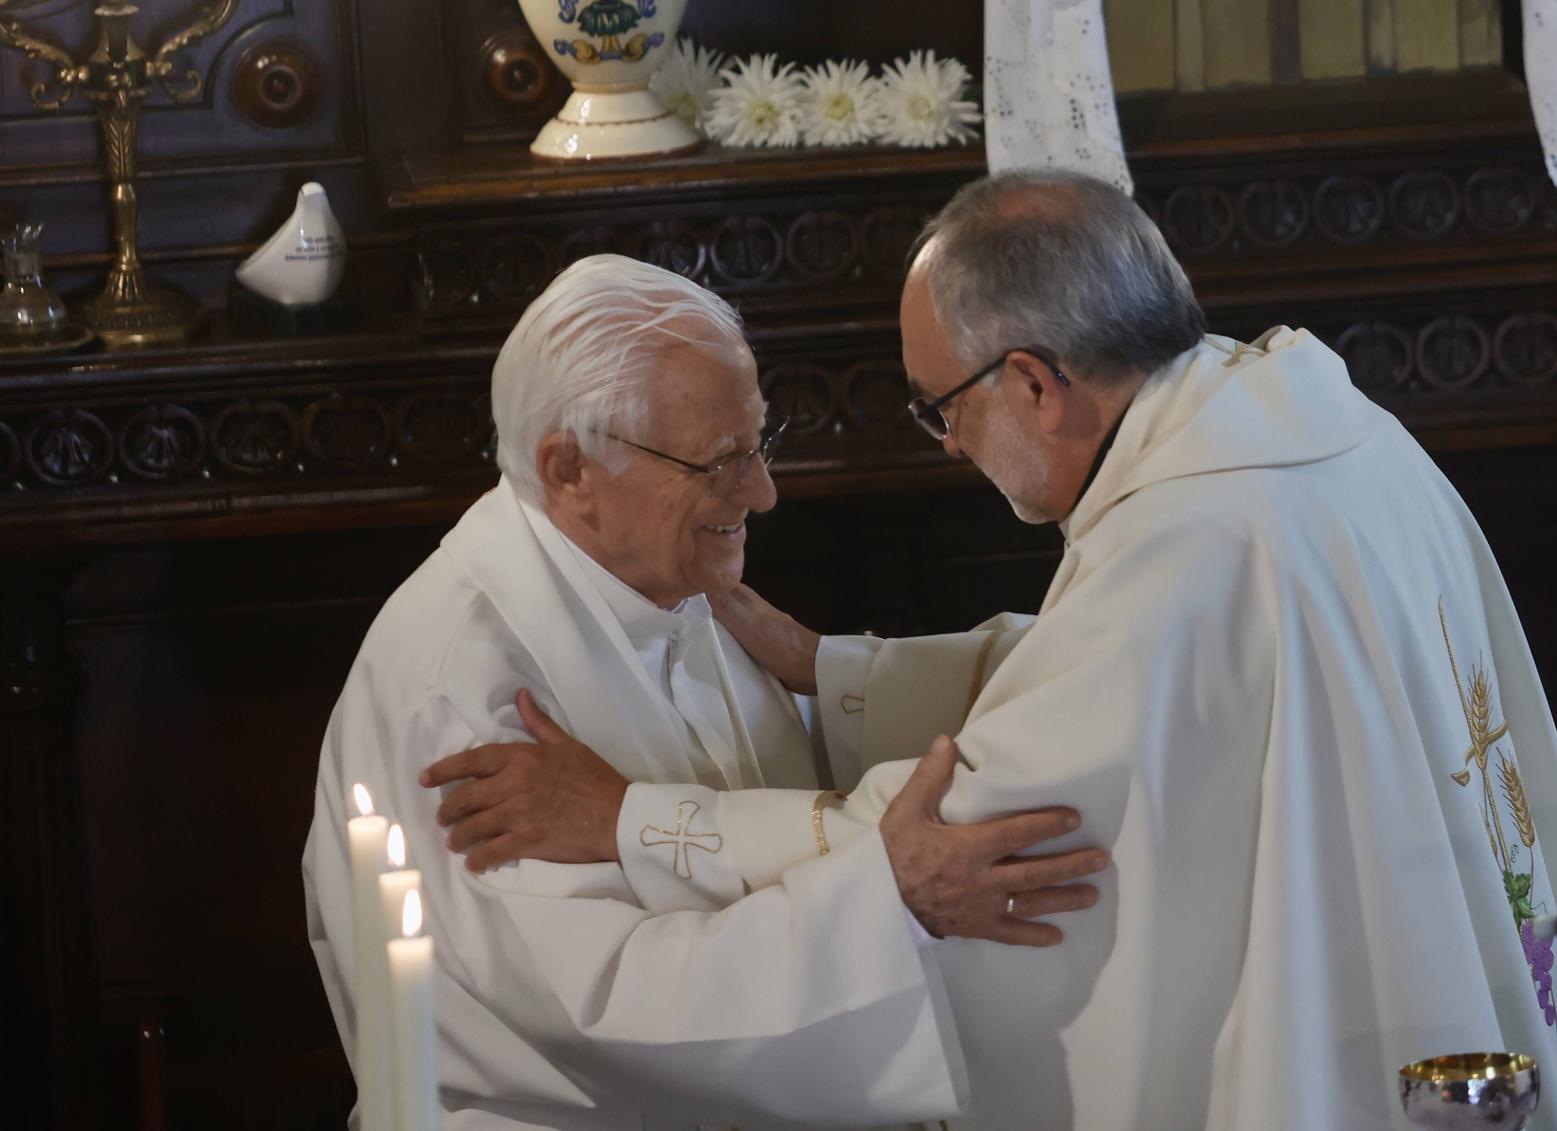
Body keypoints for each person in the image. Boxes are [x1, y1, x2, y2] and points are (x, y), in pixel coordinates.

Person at [437, 172, 1557, 1129]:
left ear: (1031, 383)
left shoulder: (1191, 539)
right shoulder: (1308, 428)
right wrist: (832, 666)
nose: (949, 444)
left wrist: (628, 822)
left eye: (939, 408)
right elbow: (1109, 672)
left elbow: (958, 836)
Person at [301, 254, 1104, 1131]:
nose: (761, 493)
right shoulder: (462, 687)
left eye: (759, 444)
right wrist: (887, 903)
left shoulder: (670, 577)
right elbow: (606, 1006)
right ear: (569, 468)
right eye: (720, 463)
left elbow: (763, 810)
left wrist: (823, 676)